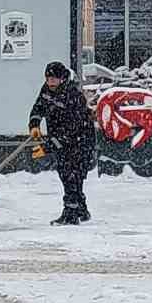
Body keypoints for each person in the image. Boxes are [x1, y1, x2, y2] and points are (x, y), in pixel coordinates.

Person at [29, 60, 96, 225]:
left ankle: (71, 214)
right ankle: (81, 210)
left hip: (80, 141)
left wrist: (47, 146)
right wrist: (34, 124)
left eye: (53, 79)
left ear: (62, 79)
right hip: (61, 139)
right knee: (68, 174)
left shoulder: (73, 95)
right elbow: (38, 107)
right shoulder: (47, 90)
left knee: (71, 175)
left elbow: (72, 129)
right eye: (48, 78)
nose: (50, 81)